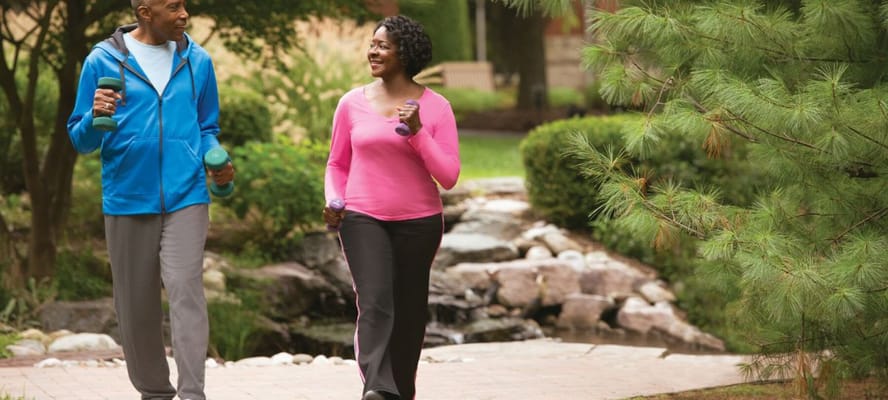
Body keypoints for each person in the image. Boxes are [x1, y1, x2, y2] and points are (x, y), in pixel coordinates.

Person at [66, 1, 233, 399]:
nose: (183, 14)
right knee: (136, 303)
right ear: (145, 11)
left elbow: (207, 125)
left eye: (184, 5)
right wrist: (93, 116)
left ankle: (193, 394)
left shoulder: (198, 60)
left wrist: (216, 159)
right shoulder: (102, 61)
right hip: (128, 195)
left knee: (185, 288)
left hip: (187, 194)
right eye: (173, 6)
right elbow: (81, 138)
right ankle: (155, 391)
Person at [323, 15, 460, 400]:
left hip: (420, 222)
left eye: (382, 45)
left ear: (407, 53)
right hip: (362, 216)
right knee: (376, 300)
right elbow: (337, 163)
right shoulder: (351, 103)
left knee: (410, 309)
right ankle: (378, 388)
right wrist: (334, 199)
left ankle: (401, 391)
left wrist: (417, 132)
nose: (373, 51)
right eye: (372, 43)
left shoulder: (436, 108)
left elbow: (448, 175)